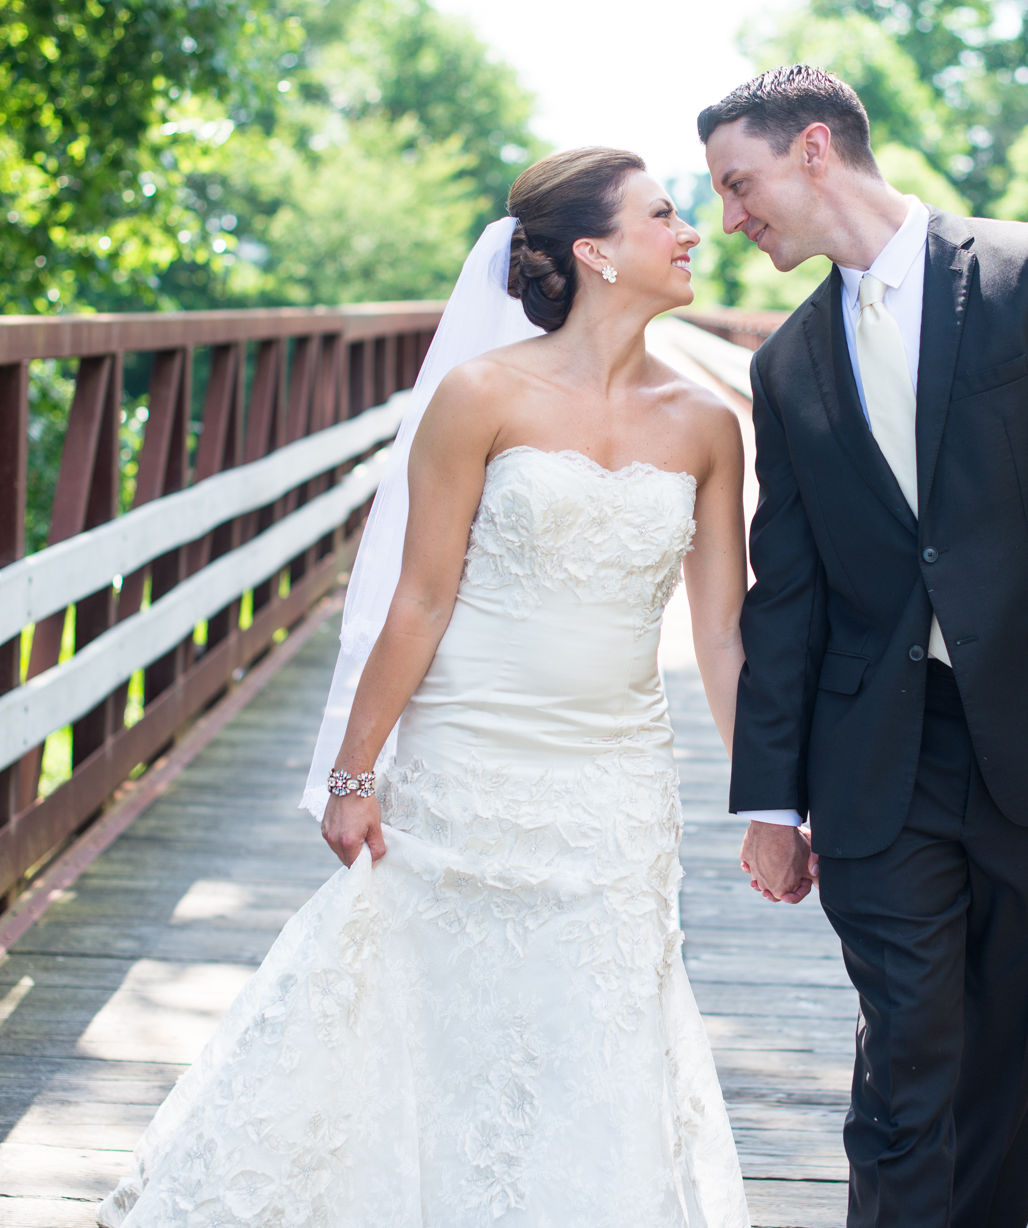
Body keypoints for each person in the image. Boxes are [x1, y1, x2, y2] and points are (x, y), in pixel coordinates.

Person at [97, 148, 752, 1228]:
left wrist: (765, 800)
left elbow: (721, 633)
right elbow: (419, 598)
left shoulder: (704, 424)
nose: (690, 232)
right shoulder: (479, 394)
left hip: (616, 779)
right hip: (465, 759)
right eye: (665, 213)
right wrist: (356, 772)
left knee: (597, 1022)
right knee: (429, 1011)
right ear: (593, 250)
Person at [702, 66, 1028, 1228]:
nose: (729, 218)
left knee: (1010, 1060)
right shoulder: (784, 364)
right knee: (905, 1053)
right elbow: (784, 592)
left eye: (738, 185)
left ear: (810, 150)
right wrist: (771, 799)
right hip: (879, 759)